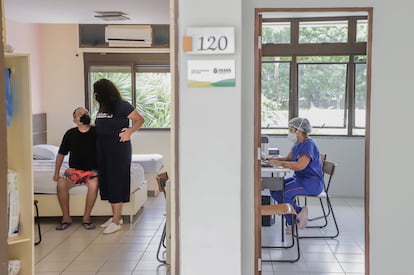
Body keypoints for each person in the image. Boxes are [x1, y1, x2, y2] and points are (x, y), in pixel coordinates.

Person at [93, 78, 145, 234]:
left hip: (118, 150)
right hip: (103, 148)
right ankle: (116, 216)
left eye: (97, 91)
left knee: (116, 181)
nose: (95, 95)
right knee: (107, 181)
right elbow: (104, 124)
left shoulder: (122, 105)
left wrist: (129, 132)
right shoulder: (103, 107)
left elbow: (140, 120)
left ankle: (116, 221)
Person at [265, 117, 324, 233]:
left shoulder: (308, 145)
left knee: (283, 194)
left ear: (299, 130)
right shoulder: (298, 143)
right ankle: (298, 212)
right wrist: (270, 159)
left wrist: (279, 163)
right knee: (275, 189)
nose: (289, 133)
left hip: (311, 183)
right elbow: (288, 158)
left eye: (291, 130)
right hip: (300, 179)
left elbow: (300, 166)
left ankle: (294, 221)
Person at [53, 107, 98, 230]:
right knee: (61, 183)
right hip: (74, 171)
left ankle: (86, 217)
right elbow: (61, 154)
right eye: (79, 113)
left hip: (91, 172)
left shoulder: (96, 132)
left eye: (85, 113)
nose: (83, 114)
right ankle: (66, 217)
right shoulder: (70, 134)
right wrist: (56, 173)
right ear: (74, 120)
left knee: (94, 184)